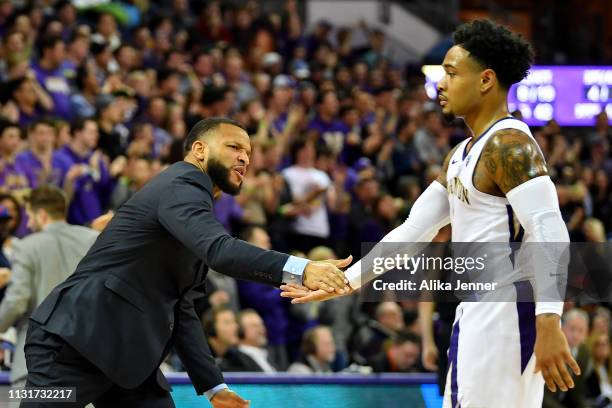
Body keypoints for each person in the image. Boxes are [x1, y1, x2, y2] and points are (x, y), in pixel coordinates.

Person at [281, 20, 579, 408]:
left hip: (506, 314)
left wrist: (549, 319)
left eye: (452, 73)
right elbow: (413, 230)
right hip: (475, 309)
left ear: (486, 80)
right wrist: (347, 281)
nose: (440, 83)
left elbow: (548, 227)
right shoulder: (461, 154)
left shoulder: (510, 144)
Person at [22, 117, 350, 408]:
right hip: (73, 343)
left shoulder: (192, 207)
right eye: (234, 146)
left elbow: (181, 307)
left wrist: (212, 385)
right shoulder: (182, 184)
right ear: (199, 150)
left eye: (248, 152)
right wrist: (302, 268)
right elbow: (221, 251)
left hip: (127, 356)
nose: (244, 158)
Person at [0, 185, 98, 387]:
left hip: (36, 361)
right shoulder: (92, 239)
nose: (27, 224)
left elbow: (16, 302)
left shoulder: (27, 246)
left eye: (29, 216)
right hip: (87, 359)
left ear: (41, 215)